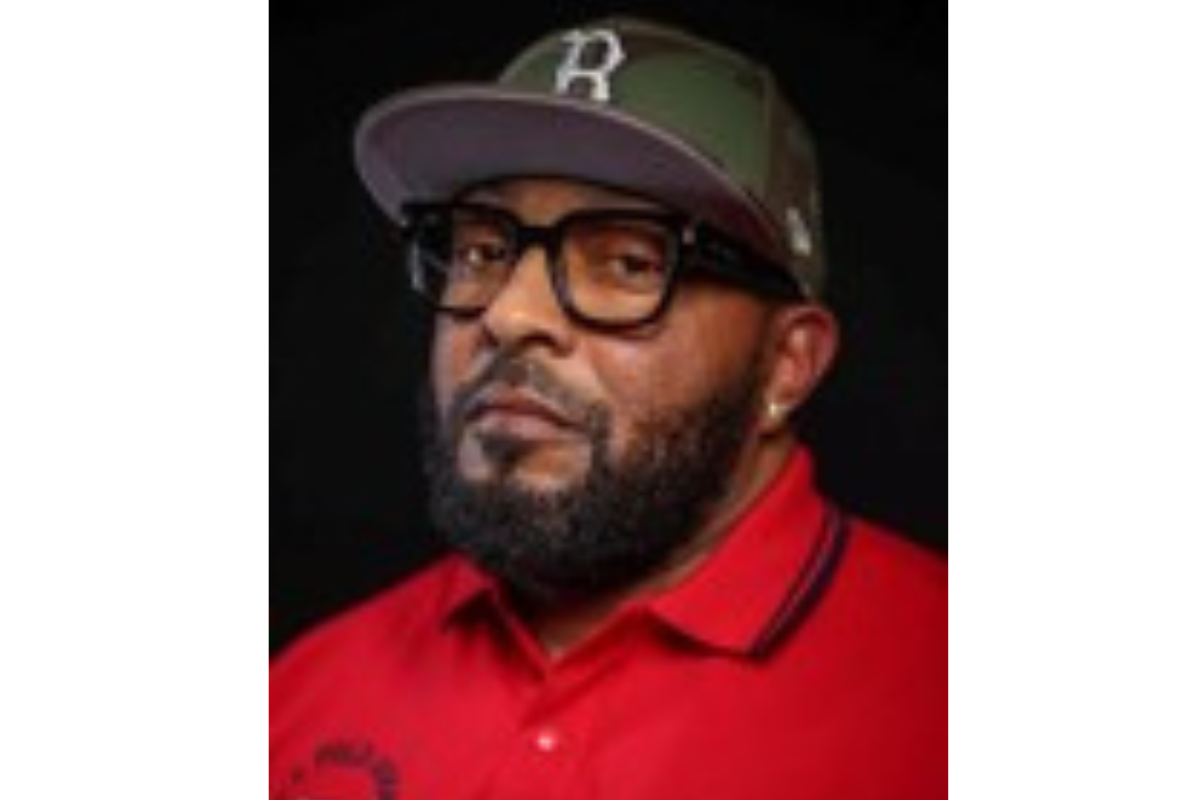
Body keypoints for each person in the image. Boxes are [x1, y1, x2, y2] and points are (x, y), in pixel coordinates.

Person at [270, 15, 946, 800]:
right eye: (481, 252)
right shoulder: (298, 696)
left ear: (786, 365)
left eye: (627, 262)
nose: (511, 315)